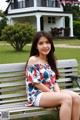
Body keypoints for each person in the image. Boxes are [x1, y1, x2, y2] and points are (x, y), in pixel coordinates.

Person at [25, 31, 80, 120]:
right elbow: (36, 83)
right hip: (37, 95)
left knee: (76, 97)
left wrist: (57, 93)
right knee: (66, 98)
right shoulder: (33, 59)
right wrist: (53, 94)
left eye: (47, 42)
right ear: (36, 46)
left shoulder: (49, 61)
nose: (45, 46)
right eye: (41, 43)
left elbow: (54, 82)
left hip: (49, 93)